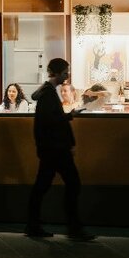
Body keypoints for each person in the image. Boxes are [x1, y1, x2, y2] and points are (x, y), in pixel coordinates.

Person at [25, 57, 95, 241]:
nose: (67, 74)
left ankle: (34, 225)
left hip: (50, 148)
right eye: (65, 72)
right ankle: (73, 227)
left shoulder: (46, 91)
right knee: (73, 184)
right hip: (55, 149)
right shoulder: (49, 94)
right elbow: (51, 121)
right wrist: (70, 116)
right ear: (57, 73)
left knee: (42, 186)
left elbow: (47, 119)